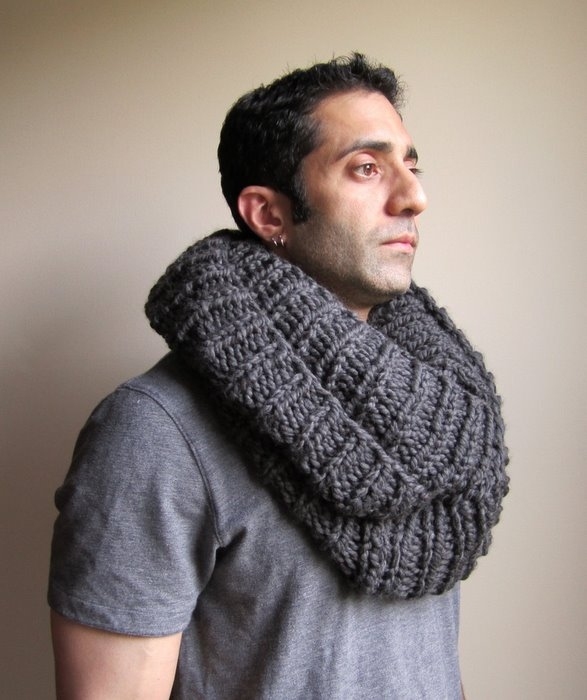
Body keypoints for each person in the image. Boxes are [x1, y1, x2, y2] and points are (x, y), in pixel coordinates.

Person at [49, 53, 509, 699]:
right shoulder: (154, 431)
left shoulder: (434, 411)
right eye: (366, 167)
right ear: (269, 215)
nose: (414, 197)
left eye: (411, 166)